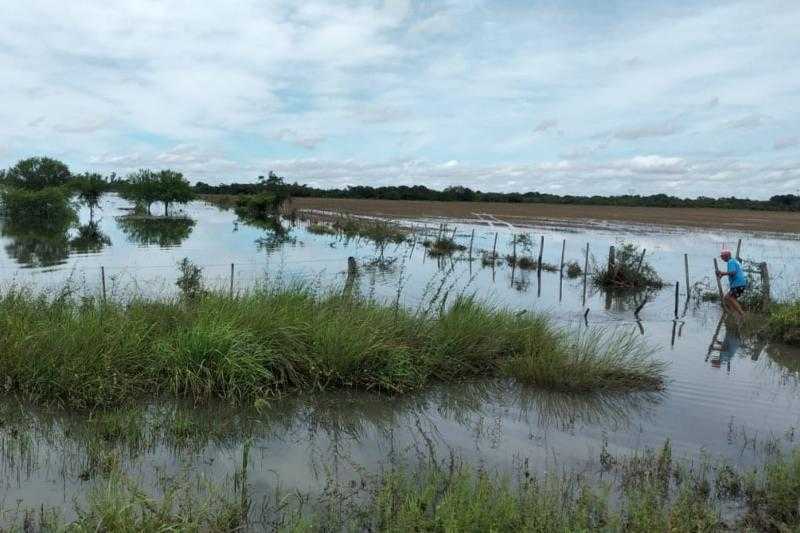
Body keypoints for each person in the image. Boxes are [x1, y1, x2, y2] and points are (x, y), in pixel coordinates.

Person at [716, 249, 747, 319]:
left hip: (738, 284)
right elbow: (732, 272)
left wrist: (722, 273)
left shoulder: (730, 262)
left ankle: (742, 314)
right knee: (726, 298)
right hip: (740, 283)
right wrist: (722, 275)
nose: (721, 258)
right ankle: (734, 314)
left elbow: (733, 272)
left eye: (722, 256)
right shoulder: (733, 261)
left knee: (730, 297)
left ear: (726, 256)